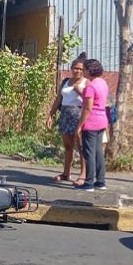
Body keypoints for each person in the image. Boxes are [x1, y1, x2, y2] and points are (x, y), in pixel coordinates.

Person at [47, 55, 88, 183]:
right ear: (71, 68)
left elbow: (90, 101)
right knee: (68, 146)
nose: (78, 71)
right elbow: (58, 99)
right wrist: (50, 115)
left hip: (79, 116)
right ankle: (66, 173)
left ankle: (83, 175)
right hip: (65, 115)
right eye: (75, 68)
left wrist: (79, 90)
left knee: (81, 147)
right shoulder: (65, 82)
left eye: (81, 69)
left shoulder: (87, 83)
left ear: (84, 70)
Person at [73, 59, 109, 191]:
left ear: (89, 71)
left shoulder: (90, 86)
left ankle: (88, 182)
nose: (83, 72)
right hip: (102, 120)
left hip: (91, 121)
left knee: (89, 152)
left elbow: (87, 108)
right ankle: (100, 181)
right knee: (98, 151)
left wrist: (79, 126)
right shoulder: (103, 83)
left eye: (84, 70)